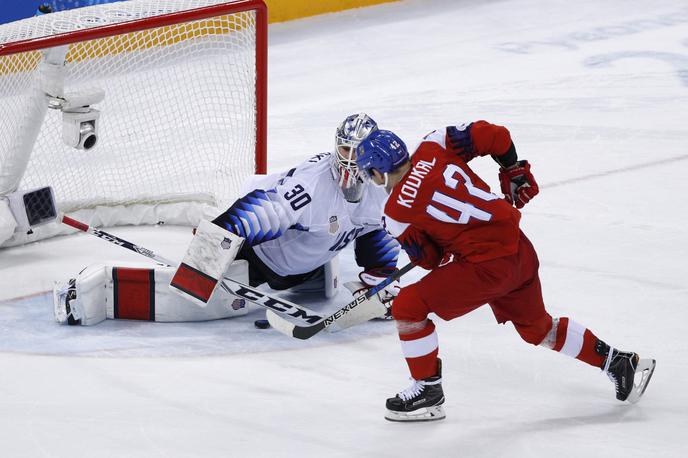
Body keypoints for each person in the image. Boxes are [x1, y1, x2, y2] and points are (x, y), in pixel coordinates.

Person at [355, 122, 656, 422]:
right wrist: (512, 169)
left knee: (408, 306)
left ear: (378, 172)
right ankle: (619, 363)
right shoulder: (434, 144)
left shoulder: (394, 213)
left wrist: (436, 241)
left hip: (485, 268)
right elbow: (494, 136)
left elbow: (431, 259)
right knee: (538, 329)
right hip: (518, 249)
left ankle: (427, 391)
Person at [54, 113, 401, 326]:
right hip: (262, 257)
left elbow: (374, 228)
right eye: (345, 151)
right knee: (190, 300)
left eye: (360, 153)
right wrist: (204, 261)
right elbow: (252, 217)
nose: (352, 161)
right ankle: (87, 295)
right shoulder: (309, 189)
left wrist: (381, 280)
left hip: (310, 260)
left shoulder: (378, 187)